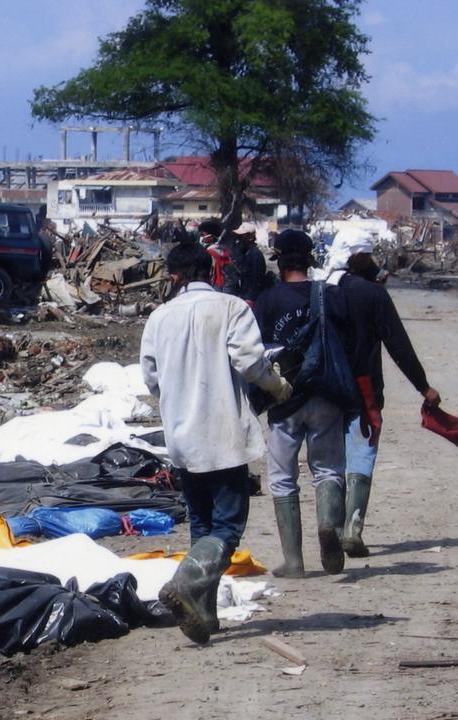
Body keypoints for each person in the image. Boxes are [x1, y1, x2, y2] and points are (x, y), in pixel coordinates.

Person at [140, 243, 292, 644]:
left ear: (174, 276)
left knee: (201, 525)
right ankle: (186, 583)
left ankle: (204, 615)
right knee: (226, 528)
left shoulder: (158, 318)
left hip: (182, 437)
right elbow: (248, 361)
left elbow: (151, 379)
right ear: (212, 271)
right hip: (223, 434)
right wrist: (277, 386)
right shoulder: (232, 308)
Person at [321, 229, 442, 557]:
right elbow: (397, 344)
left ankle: (329, 524)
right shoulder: (372, 295)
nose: (373, 261)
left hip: (323, 389)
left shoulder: (319, 290)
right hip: (364, 389)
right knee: (361, 455)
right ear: (357, 257)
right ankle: (352, 529)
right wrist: (423, 386)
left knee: (330, 463)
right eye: (368, 255)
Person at [252, 229, 351, 577]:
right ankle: (328, 525)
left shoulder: (268, 300)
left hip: (285, 399)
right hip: (327, 395)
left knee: (282, 478)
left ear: (279, 259)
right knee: (327, 470)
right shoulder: (332, 296)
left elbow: (259, 353)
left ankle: (294, 562)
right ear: (311, 259)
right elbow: (349, 346)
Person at [223, 222, 269, 302]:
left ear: (250, 237)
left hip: (251, 298)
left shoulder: (255, 254)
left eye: (242, 236)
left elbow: (256, 280)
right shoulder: (245, 252)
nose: (239, 239)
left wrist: (250, 299)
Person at [197, 218, 233, 290]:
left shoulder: (210, 253)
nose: (201, 237)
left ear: (212, 236)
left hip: (213, 287)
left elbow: (210, 274)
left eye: (202, 234)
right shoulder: (223, 250)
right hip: (222, 287)